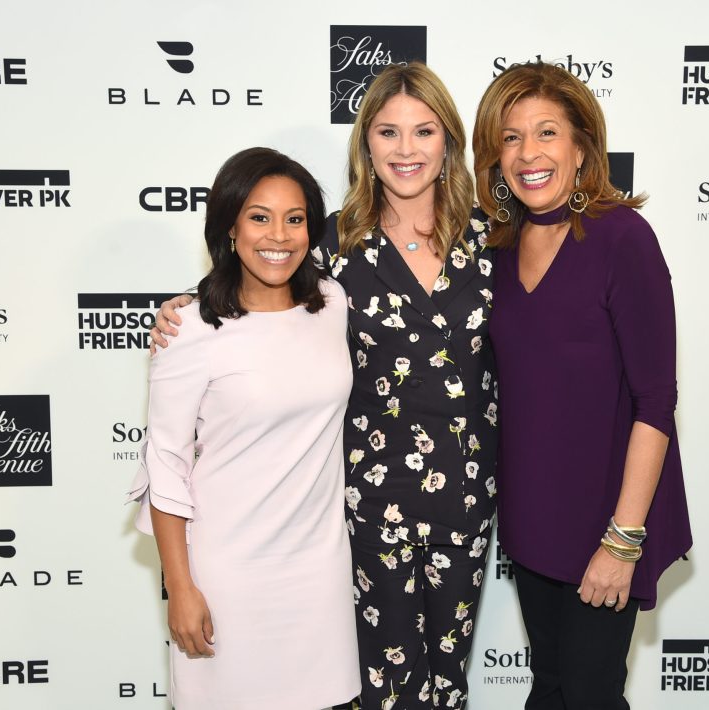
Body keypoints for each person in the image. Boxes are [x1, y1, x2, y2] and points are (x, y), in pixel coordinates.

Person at [152, 64, 497, 710]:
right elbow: (256, 281)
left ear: (448, 142)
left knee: (448, 687)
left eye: (423, 131)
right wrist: (184, 312)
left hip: (465, 503)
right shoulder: (333, 245)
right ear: (365, 143)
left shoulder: (488, 240)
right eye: (387, 132)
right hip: (366, 511)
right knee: (384, 694)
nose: (405, 149)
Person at [472, 62, 692, 709]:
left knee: (592, 693)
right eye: (510, 138)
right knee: (553, 687)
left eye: (546, 133)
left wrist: (622, 542)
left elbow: (656, 402)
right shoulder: (498, 251)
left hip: (607, 518)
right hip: (534, 519)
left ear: (581, 147)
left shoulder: (622, 238)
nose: (528, 153)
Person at [129, 147, 360, 710]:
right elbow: (166, 463)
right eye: (259, 216)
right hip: (228, 574)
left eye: (295, 218)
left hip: (318, 572)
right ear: (230, 226)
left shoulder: (331, 303)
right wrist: (179, 587)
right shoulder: (189, 329)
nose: (278, 235)